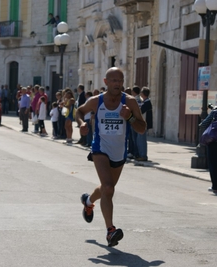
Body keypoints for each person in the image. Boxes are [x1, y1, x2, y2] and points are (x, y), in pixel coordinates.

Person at [76, 67, 146, 247]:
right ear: (106, 82)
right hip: (100, 148)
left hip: (119, 151)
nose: (117, 84)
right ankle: (110, 231)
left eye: (120, 80)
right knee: (108, 187)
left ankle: (88, 201)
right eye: (113, 80)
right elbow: (79, 111)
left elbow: (142, 128)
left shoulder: (129, 102)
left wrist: (129, 117)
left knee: (108, 188)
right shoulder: (96, 101)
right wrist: (82, 123)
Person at [135, 87, 153, 161]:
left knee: (141, 140)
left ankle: (143, 155)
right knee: (139, 139)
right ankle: (140, 154)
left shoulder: (147, 103)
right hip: (143, 124)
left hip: (143, 124)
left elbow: (140, 112)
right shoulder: (145, 102)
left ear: (143, 94)